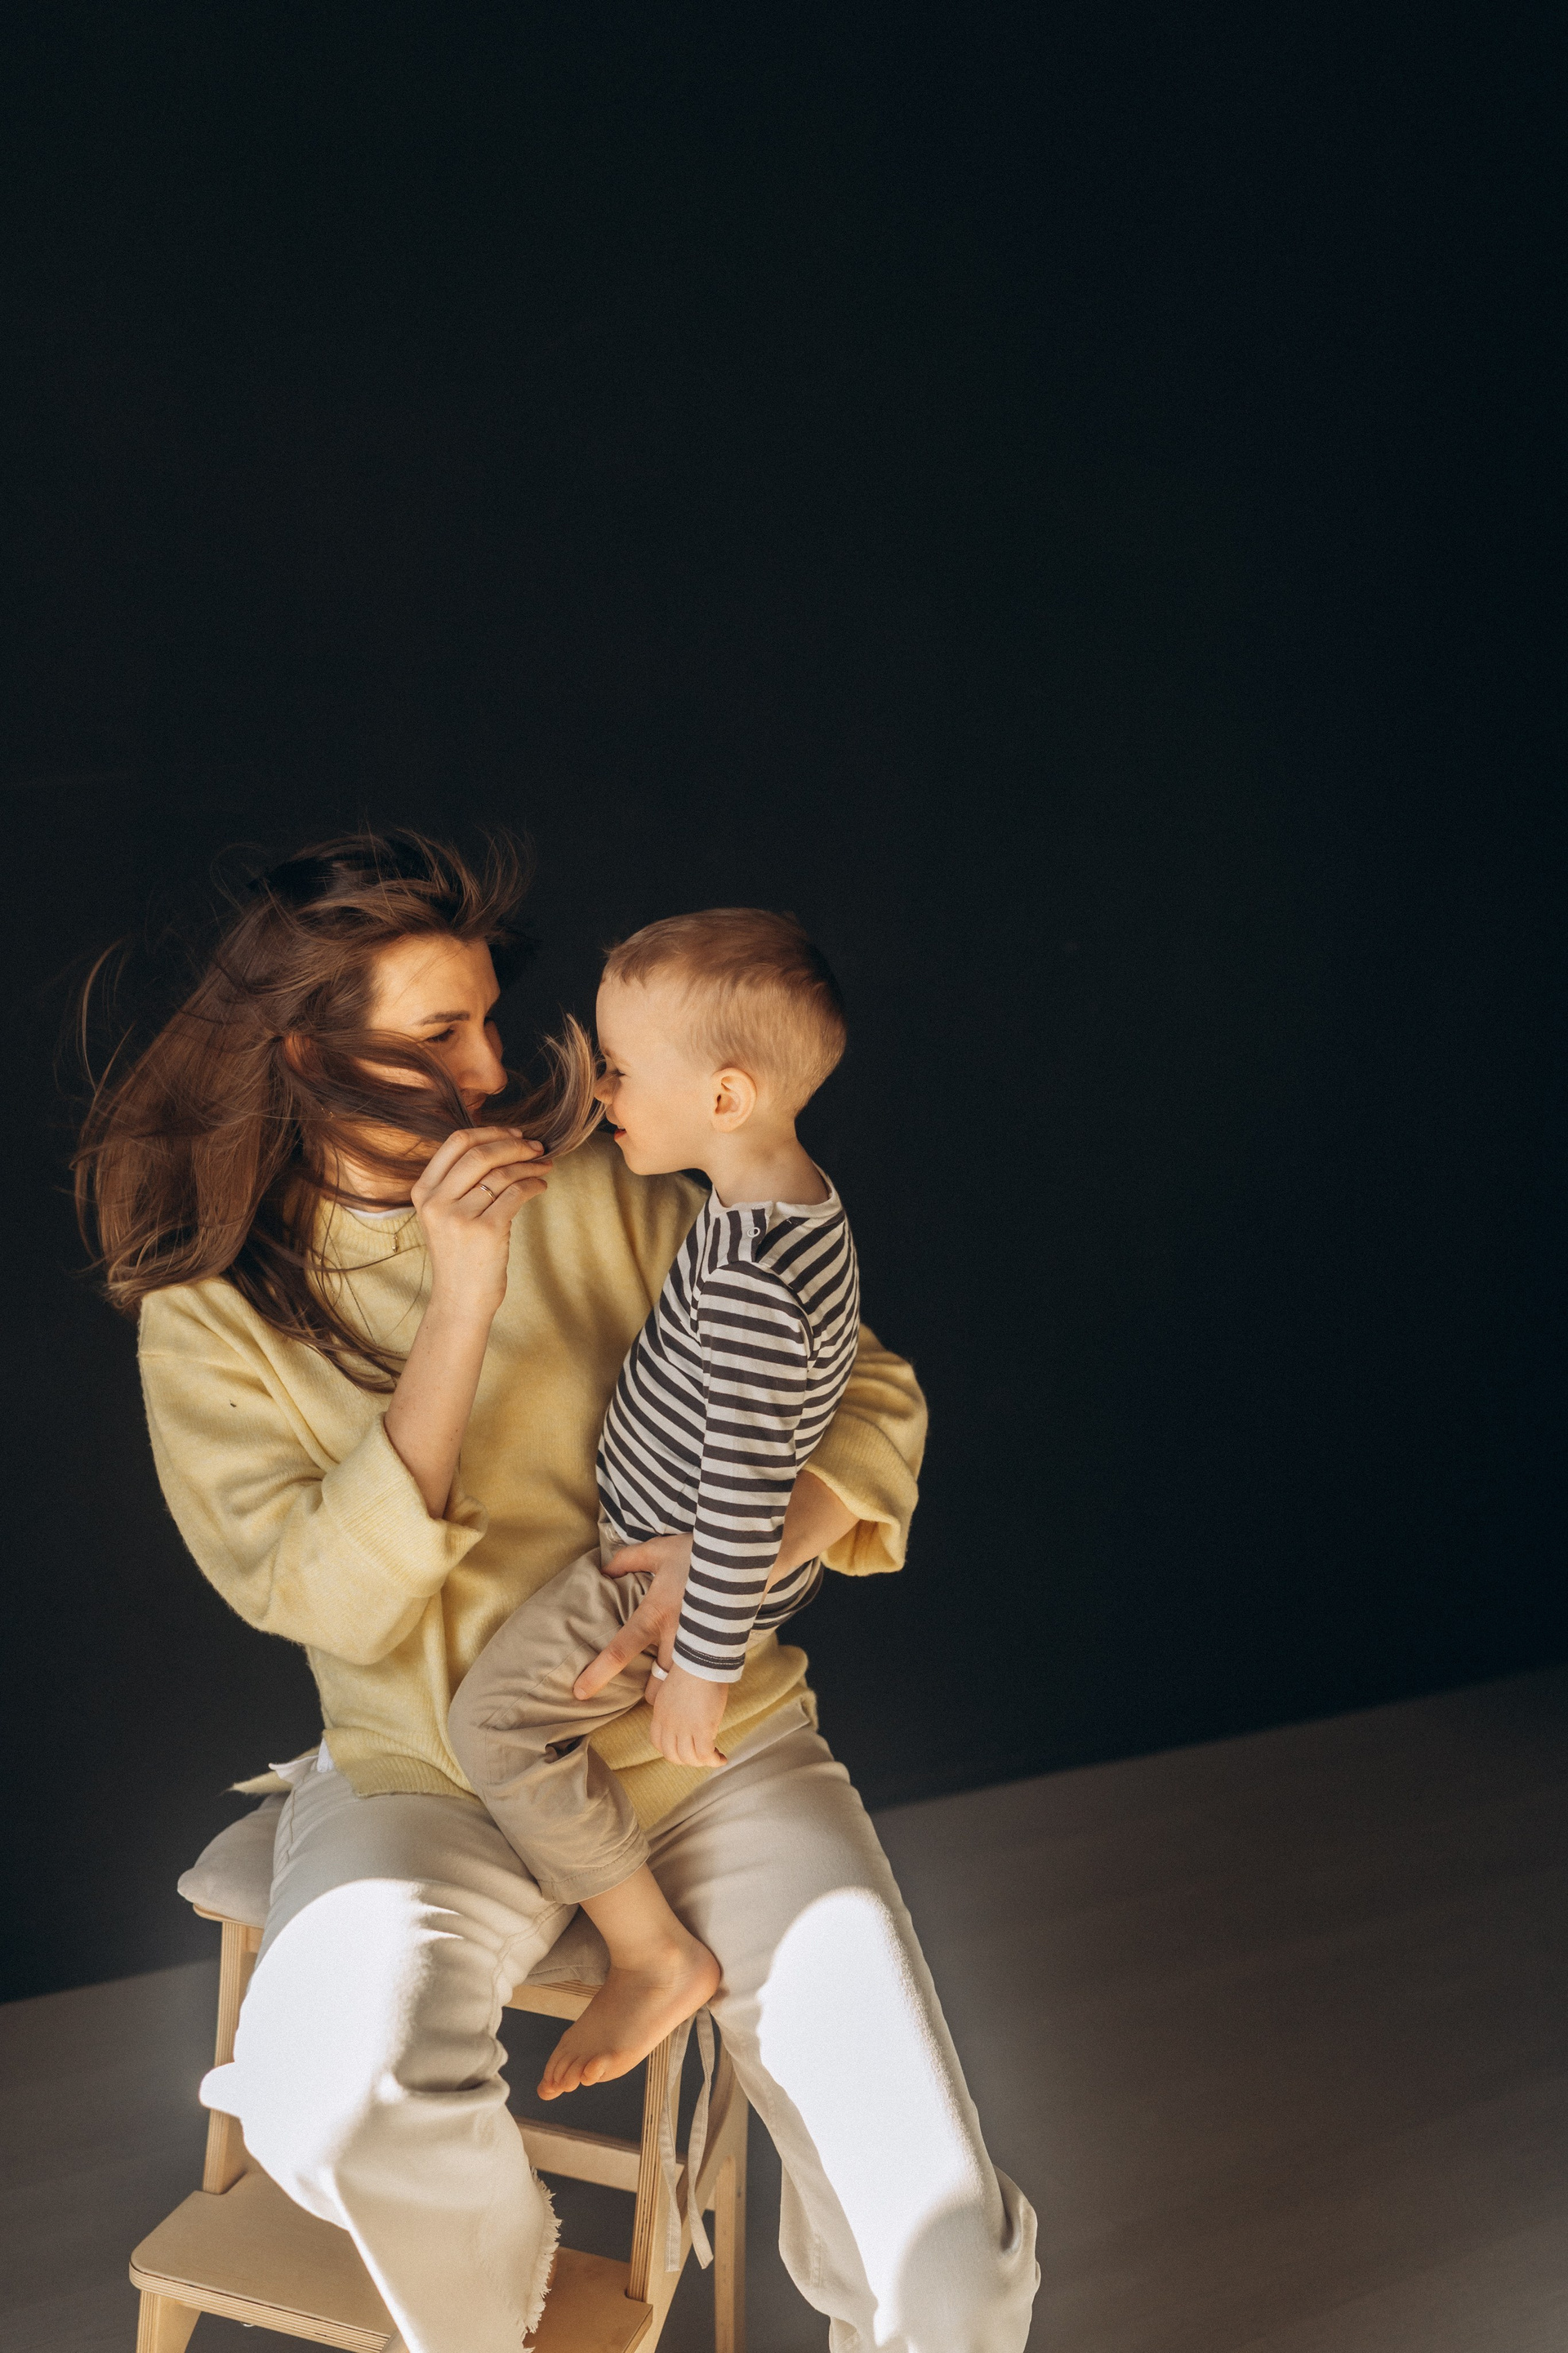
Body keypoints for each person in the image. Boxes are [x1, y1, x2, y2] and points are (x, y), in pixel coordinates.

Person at [77, 831, 1039, 2353]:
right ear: (304, 1055)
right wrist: (463, 1295)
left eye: (485, 1017)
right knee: (328, 2098)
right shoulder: (210, 1314)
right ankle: (513, 2316)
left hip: (708, 1754)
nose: (490, 1070)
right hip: (432, 1774)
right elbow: (321, 1595)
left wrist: (745, 1554)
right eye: (437, 1033)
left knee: (952, 2261)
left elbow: (864, 1388)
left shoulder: (608, 1183)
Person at [448, 908, 862, 2100]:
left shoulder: (748, 1280)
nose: (601, 1092)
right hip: (695, 1554)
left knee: (495, 1728)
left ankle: (651, 1950)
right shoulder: (792, 1207)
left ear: (725, 1097)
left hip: (667, 1576)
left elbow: (741, 1488)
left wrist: (699, 1664)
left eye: (622, 1070)